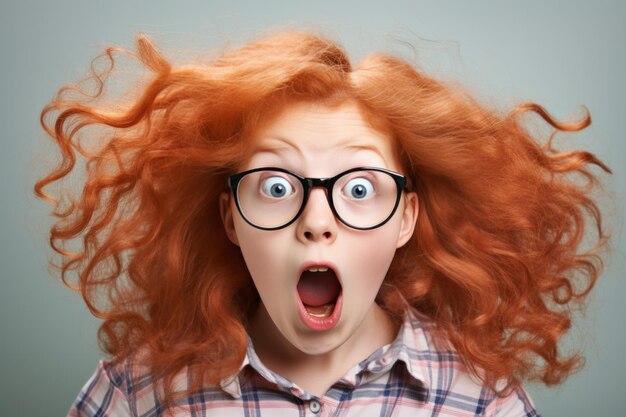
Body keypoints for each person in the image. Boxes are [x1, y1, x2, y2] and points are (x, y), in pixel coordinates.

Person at [35, 30, 610, 416]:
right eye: (276, 187)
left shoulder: (482, 401)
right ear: (230, 218)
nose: (316, 222)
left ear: (406, 217)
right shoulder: (138, 393)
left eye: (359, 189)